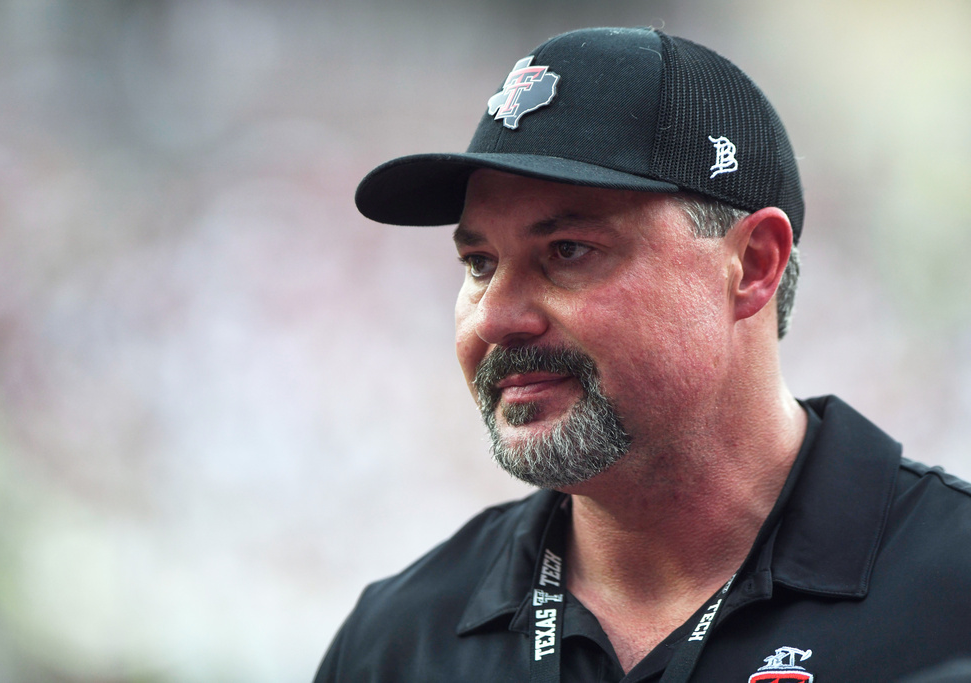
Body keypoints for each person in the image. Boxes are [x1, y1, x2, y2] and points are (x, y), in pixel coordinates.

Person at [315, 27, 971, 682]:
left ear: (752, 265)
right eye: (480, 262)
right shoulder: (396, 642)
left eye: (567, 250)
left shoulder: (951, 591)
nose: (494, 318)